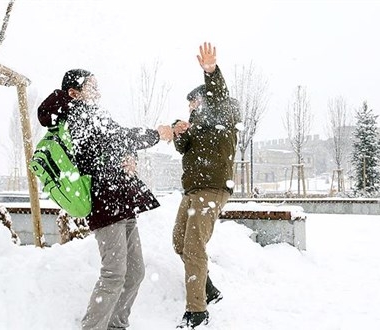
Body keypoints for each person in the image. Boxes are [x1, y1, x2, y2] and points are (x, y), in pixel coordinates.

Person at [38, 69, 173, 330]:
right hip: (105, 203)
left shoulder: (94, 114)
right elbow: (115, 138)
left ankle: (116, 326)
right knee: (114, 275)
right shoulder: (77, 116)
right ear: (74, 93)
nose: (98, 92)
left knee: (135, 273)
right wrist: (156, 135)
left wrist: (128, 157)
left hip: (121, 201)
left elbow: (115, 141)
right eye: (92, 87)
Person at [171, 42, 239, 329]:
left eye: (194, 103)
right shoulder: (196, 126)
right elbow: (182, 147)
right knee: (179, 242)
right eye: (189, 105)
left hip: (211, 190)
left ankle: (197, 312)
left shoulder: (224, 114)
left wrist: (210, 71)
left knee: (194, 248)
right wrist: (178, 130)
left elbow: (219, 96)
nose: (191, 108)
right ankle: (208, 288)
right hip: (193, 191)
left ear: (206, 100)